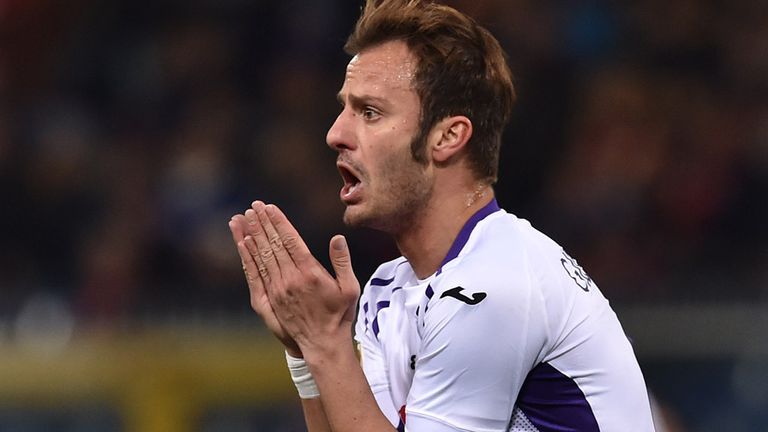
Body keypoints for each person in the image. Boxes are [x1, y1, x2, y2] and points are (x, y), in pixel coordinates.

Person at [229, 0, 656, 431]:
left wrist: (324, 342)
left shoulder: (493, 285)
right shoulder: (389, 290)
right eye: (345, 108)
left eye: (370, 112)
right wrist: (307, 351)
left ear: (448, 137)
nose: (335, 133)